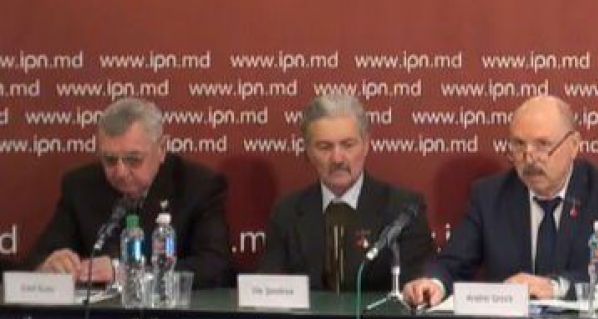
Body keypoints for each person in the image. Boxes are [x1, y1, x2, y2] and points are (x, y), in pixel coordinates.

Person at [403, 95, 598, 307]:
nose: (529, 158)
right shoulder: (489, 196)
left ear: (574, 145)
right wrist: (434, 284)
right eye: (519, 145)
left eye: (543, 145)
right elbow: (453, 263)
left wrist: (555, 287)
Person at [25, 97, 232, 287]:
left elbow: (216, 267)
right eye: (110, 160)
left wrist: (126, 273)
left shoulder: (198, 186)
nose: (120, 172)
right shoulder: (80, 186)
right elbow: (37, 259)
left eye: (133, 159)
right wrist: (50, 266)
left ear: (161, 149)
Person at [258, 94, 435, 291]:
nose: (337, 158)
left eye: (348, 145)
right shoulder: (287, 213)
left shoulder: (403, 211)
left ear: (366, 145)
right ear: (308, 151)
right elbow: (270, 291)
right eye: (324, 147)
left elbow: (416, 292)